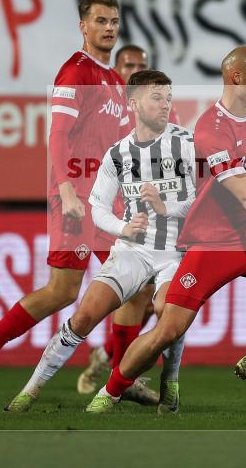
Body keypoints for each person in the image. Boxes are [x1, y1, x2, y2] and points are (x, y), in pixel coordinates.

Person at [85, 46, 246, 413]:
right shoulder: (210, 129)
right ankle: (109, 394)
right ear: (237, 78)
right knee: (167, 330)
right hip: (213, 244)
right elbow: (244, 195)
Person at [0, 0, 154, 405]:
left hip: (104, 201)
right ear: (83, 27)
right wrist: (65, 190)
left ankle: (122, 374)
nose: (109, 28)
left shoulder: (115, 81)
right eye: (100, 21)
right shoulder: (75, 72)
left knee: (137, 289)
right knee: (64, 290)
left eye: (113, 21)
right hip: (76, 200)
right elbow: (58, 135)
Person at [6, 70, 194, 414]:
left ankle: (171, 383)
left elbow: (200, 199)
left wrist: (167, 207)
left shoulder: (186, 144)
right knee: (84, 316)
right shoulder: (118, 154)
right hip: (133, 250)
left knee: (169, 313)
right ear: (133, 104)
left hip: (175, 254)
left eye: (168, 97)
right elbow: (97, 209)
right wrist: (123, 228)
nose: (166, 104)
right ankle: (28, 393)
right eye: (157, 97)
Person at [76, 44, 178, 395]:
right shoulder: (100, 108)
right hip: (110, 215)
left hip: (143, 217)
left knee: (147, 296)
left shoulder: (154, 112)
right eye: (128, 64)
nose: (134, 70)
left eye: (141, 66)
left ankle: (109, 360)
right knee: (136, 294)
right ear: (114, 71)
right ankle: (120, 373)